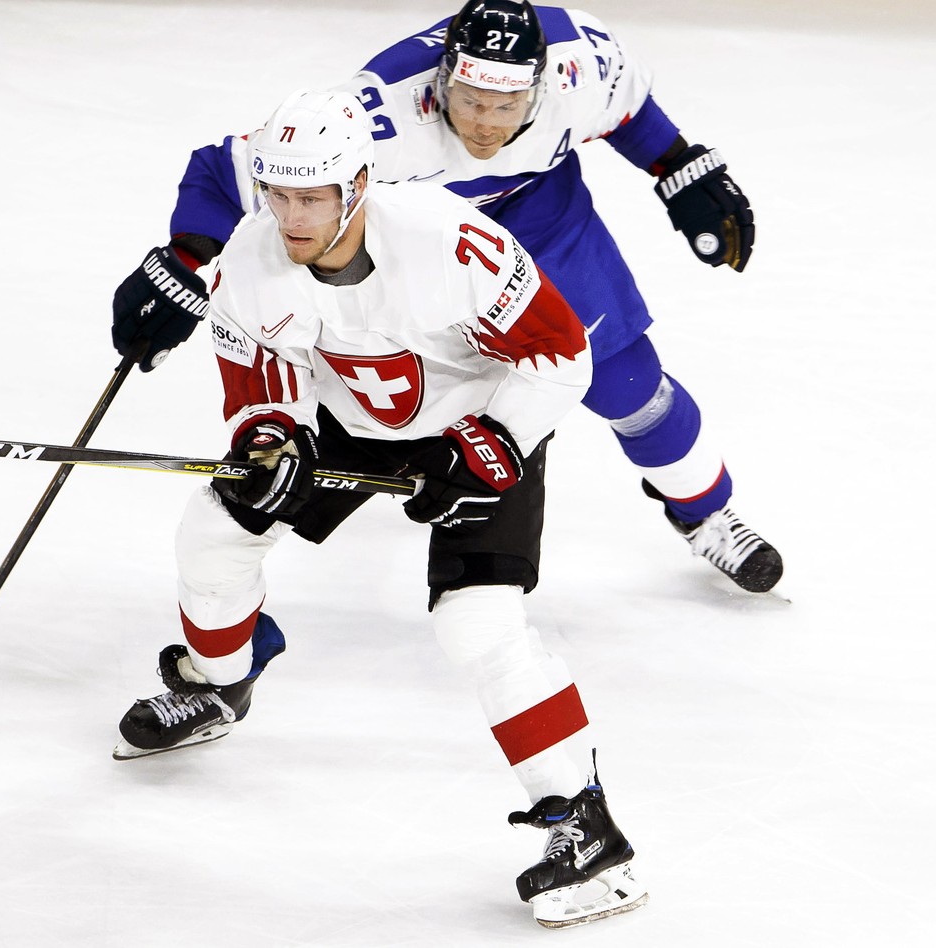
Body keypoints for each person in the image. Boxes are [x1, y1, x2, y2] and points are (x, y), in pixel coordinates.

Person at [113, 89, 647, 929]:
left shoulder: (451, 243)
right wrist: (271, 444)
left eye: (312, 196)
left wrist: (494, 441)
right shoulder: (251, 260)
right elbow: (261, 379)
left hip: (484, 418)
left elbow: (559, 352)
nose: (291, 215)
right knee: (215, 534)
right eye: (277, 193)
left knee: (477, 622)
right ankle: (219, 685)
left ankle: (583, 827)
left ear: (357, 184)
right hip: (352, 421)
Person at [111, 0, 782, 594]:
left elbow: (630, 113)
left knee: (626, 383)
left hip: (541, 217)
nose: (484, 125)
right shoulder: (380, 114)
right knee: (413, 391)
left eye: (504, 106)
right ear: (442, 80)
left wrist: (678, 167)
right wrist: (183, 260)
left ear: (540, 89)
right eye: (468, 101)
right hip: (419, 241)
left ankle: (707, 512)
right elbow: (219, 169)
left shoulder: (581, 61)